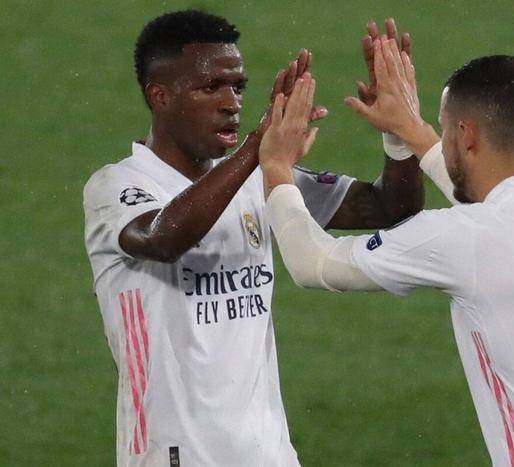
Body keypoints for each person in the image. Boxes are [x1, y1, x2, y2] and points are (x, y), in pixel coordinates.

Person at [260, 36, 514, 466]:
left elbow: (312, 263)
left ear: (466, 135)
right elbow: (497, 221)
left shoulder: (467, 238)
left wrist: (276, 165)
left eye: (444, 130)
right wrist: (408, 131)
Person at [83, 11, 423, 466]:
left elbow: (387, 207)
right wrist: (258, 148)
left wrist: (400, 133)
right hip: (173, 456)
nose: (231, 103)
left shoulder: (257, 177)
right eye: (211, 87)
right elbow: (161, 238)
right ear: (159, 96)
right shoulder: (118, 186)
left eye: (238, 87)